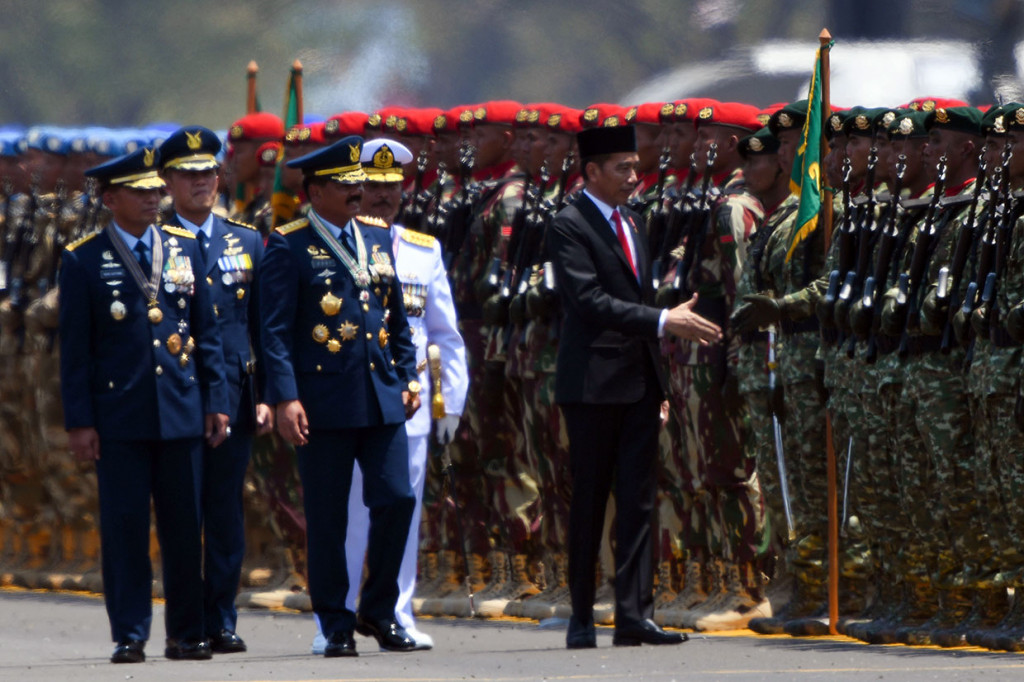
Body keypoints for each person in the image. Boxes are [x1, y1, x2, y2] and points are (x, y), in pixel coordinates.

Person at [546, 124, 721, 649]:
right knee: (590, 501)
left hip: (640, 382)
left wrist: (660, 382)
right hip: (593, 385)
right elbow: (589, 301)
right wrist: (664, 321)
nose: (633, 176)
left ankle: (634, 614)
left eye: (634, 165)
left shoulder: (635, 221)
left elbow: (639, 297)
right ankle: (581, 614)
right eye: (621, 167)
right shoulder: (569, 224)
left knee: (640, 501)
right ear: (591, 172)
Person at [58, 145, 230, 663]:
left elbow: (208, 332)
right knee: (126, 529)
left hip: (180, 409)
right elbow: (76, 352)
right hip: (121, 416)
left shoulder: (182, 247)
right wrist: (80, 422)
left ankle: (187, 631)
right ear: (111, 198)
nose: (154, 198)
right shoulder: (83, 258)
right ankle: (130, 633)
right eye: (140, 191)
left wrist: (215, 399)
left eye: (157, 189)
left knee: (185, 528)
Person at [259, 135, 420, 657]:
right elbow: (276, 331)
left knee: (397, 498)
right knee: (327, 517)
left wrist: (408, 376)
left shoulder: (376, 237)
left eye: (359, 182)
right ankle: (334, 622)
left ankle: (378, 608)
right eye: (344, 184)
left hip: (380, 396)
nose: (357, 192)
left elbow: (396, 319)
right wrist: (285, 397)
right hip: (322, 400)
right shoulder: (289, 242)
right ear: (315, 190)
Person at [310, 137, 468, 653]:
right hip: (344, 403)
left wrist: (449, 401)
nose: (383, 196)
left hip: (408, 406)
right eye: (373, 186)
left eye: (392, 186)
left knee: (402, 511)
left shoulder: (423, 251)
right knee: (347, 515)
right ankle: (335, 620)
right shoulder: (327, 243)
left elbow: (443, 336)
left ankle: (395, 611)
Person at [157, 126, 273, 654]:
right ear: (167, 181)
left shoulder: (245, 240)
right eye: (188, 175)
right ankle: (187, 622)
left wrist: (269, 394)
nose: (200, 184)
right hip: (178, 398)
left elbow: (262, 327)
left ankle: (221, 617)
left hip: (236, 394)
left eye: (207, 174)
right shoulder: (154, 240)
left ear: (220, 177)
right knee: (185, 514)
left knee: (226, 513)